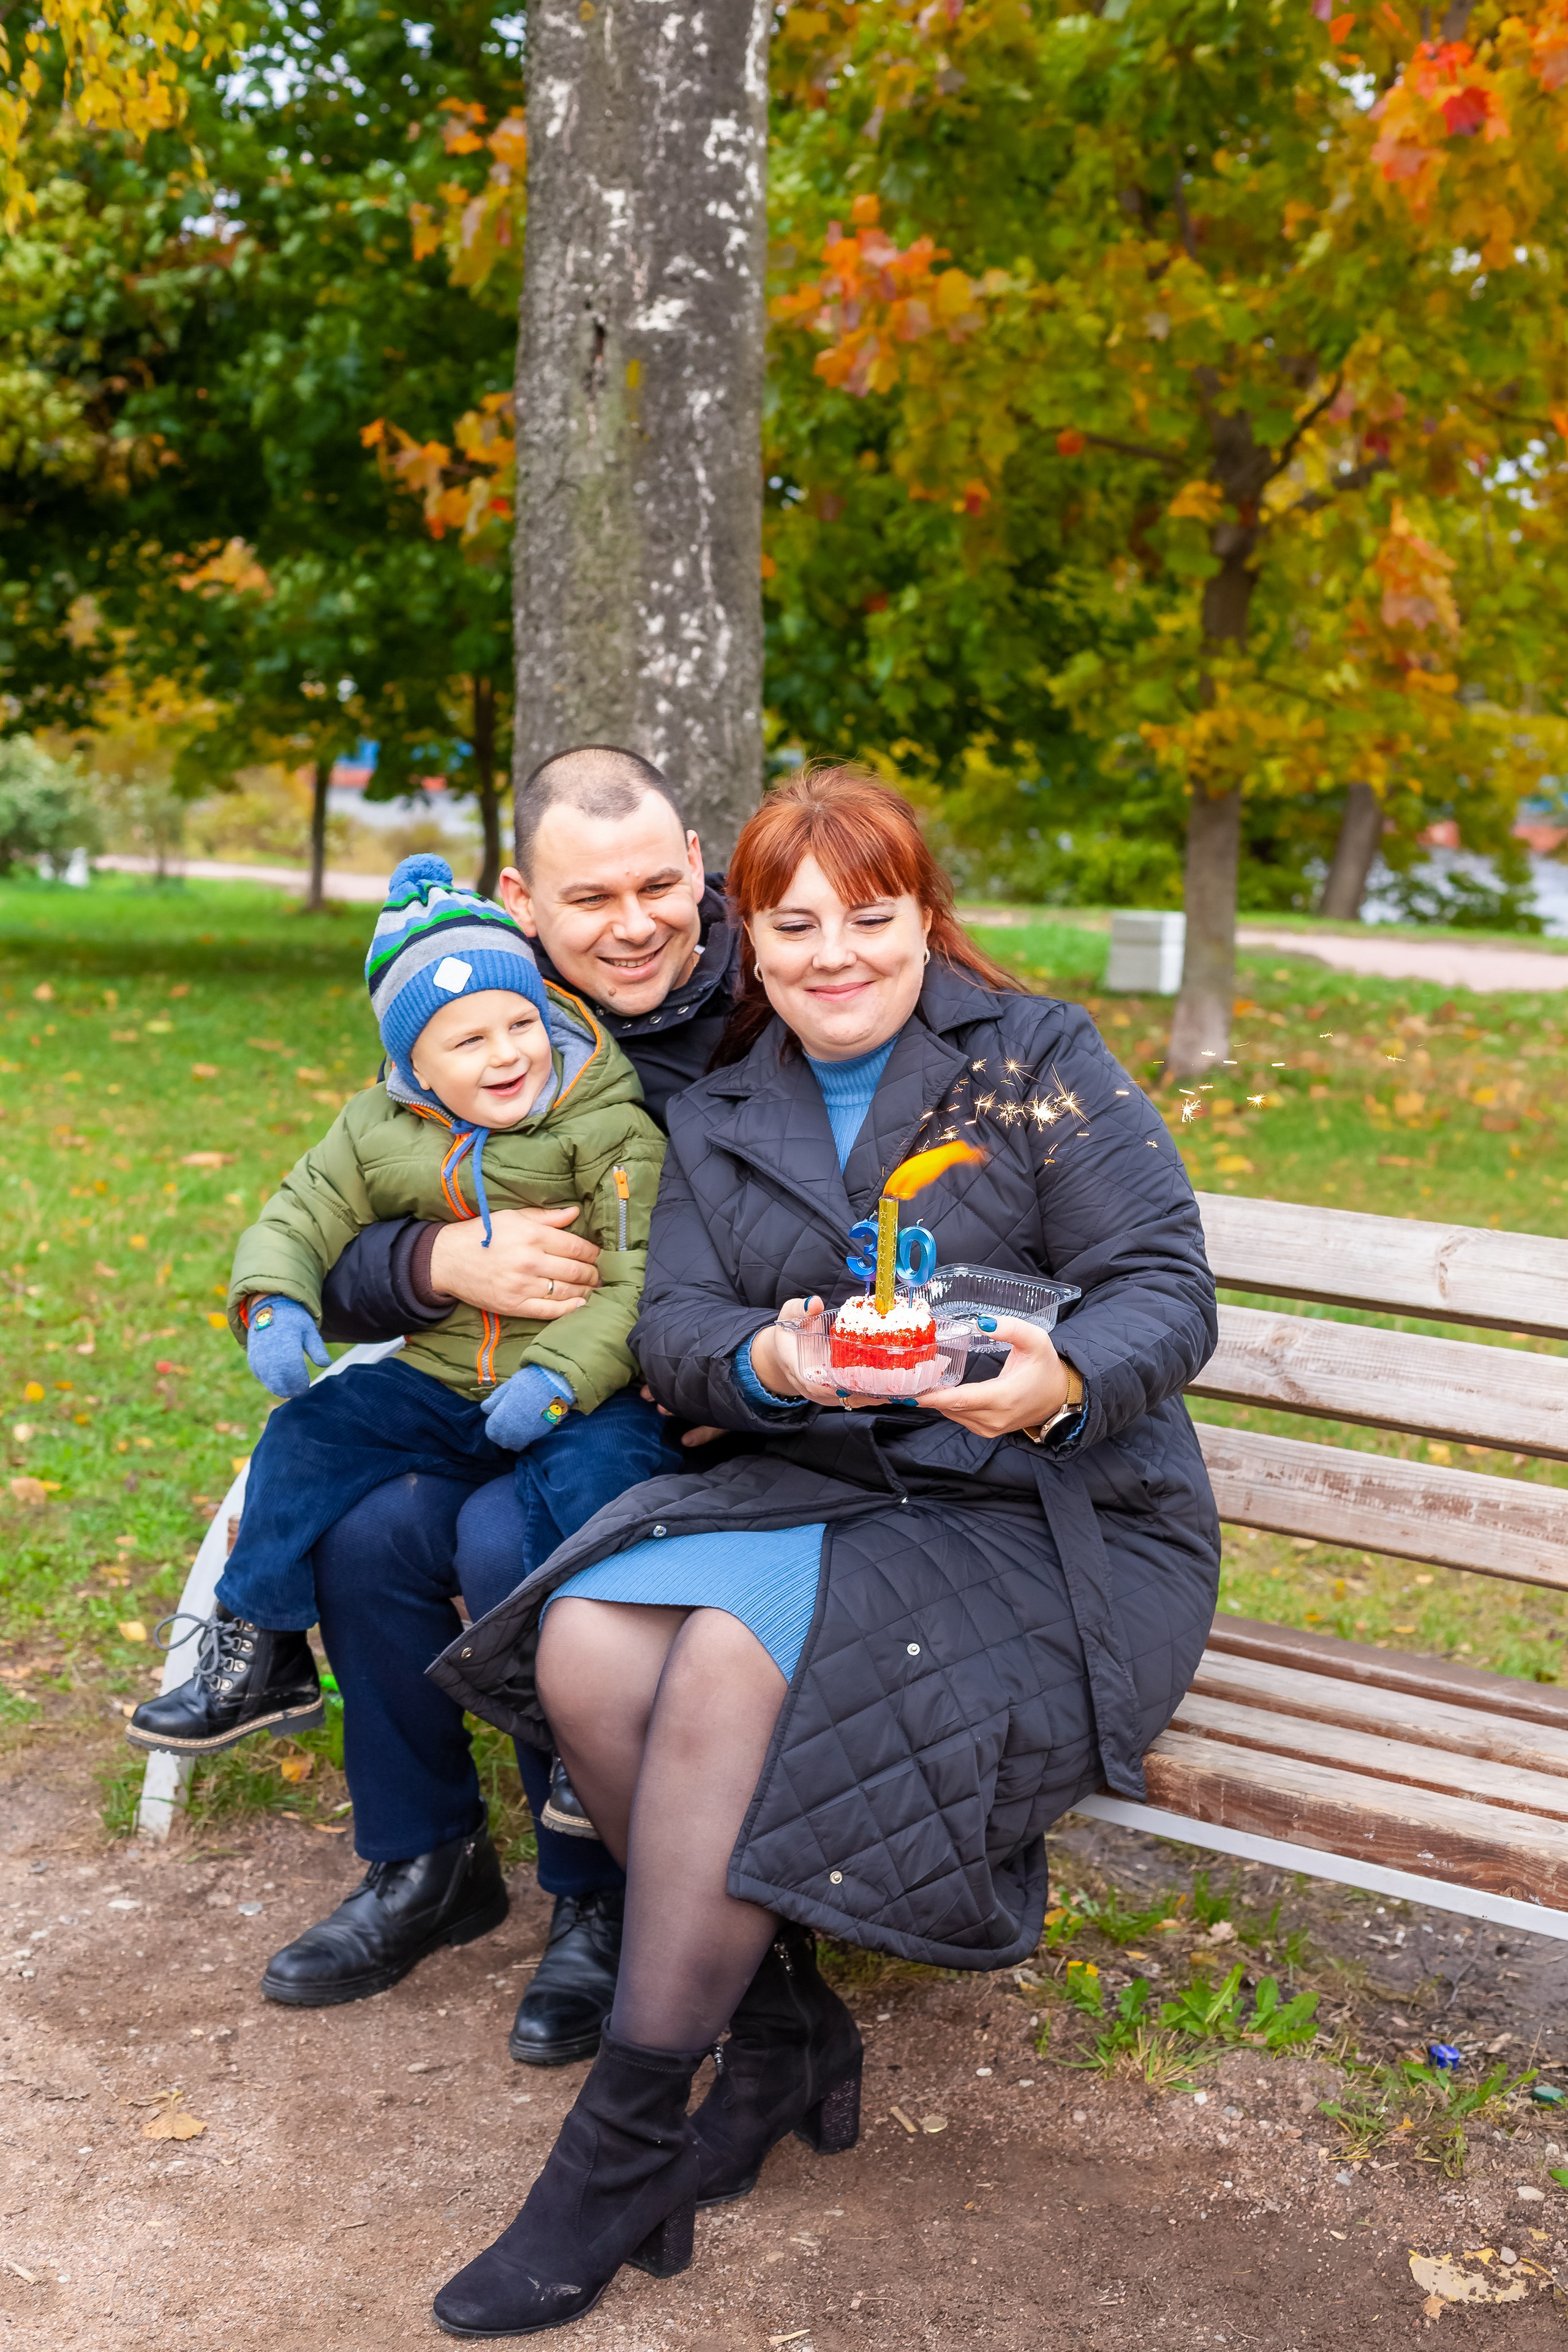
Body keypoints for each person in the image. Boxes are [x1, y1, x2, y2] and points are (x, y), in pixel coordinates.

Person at [422, 766, 1223, 2337]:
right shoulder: (726, 1102)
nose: (832, 954)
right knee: (586, 1635)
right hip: (838, 1486)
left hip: (1052, 1515)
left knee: (723, 1653)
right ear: (754, 937)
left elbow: (1162, 1284)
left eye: (870, 917)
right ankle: (782, 2026)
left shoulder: (1035, 1061)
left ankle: (620, 2139)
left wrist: (1061, 1382)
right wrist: (777, 1370)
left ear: (922, 919)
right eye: (794, 925)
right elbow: (678, 1331)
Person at [250, 748, 744, 2059]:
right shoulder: (483, 1010)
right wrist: (431, 1262)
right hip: (487, 1389)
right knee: (368, 1538)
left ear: (698, 866)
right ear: (525, 902)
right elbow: (355, 1214)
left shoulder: (763, 1011)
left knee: (490, 1544)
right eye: (590, 901)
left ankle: (598, 1893)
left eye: (656, 886)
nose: (631, 925)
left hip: (675, 1422)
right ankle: (429, 1862)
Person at [127, 853, 667, 1786]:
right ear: (412, 1063)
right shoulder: (376, 1129)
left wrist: (559, 1379)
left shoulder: (609, 1128)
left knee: (598, 1487)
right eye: (468, 1041)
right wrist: (275, 1301)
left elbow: (635, 1280)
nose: (507, 1054)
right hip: (442, 1381)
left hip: (581, 1391)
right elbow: (299, 1213)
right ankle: (262, 1648)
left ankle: (591, 1723)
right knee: (305, 1433)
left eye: (520, 1023)